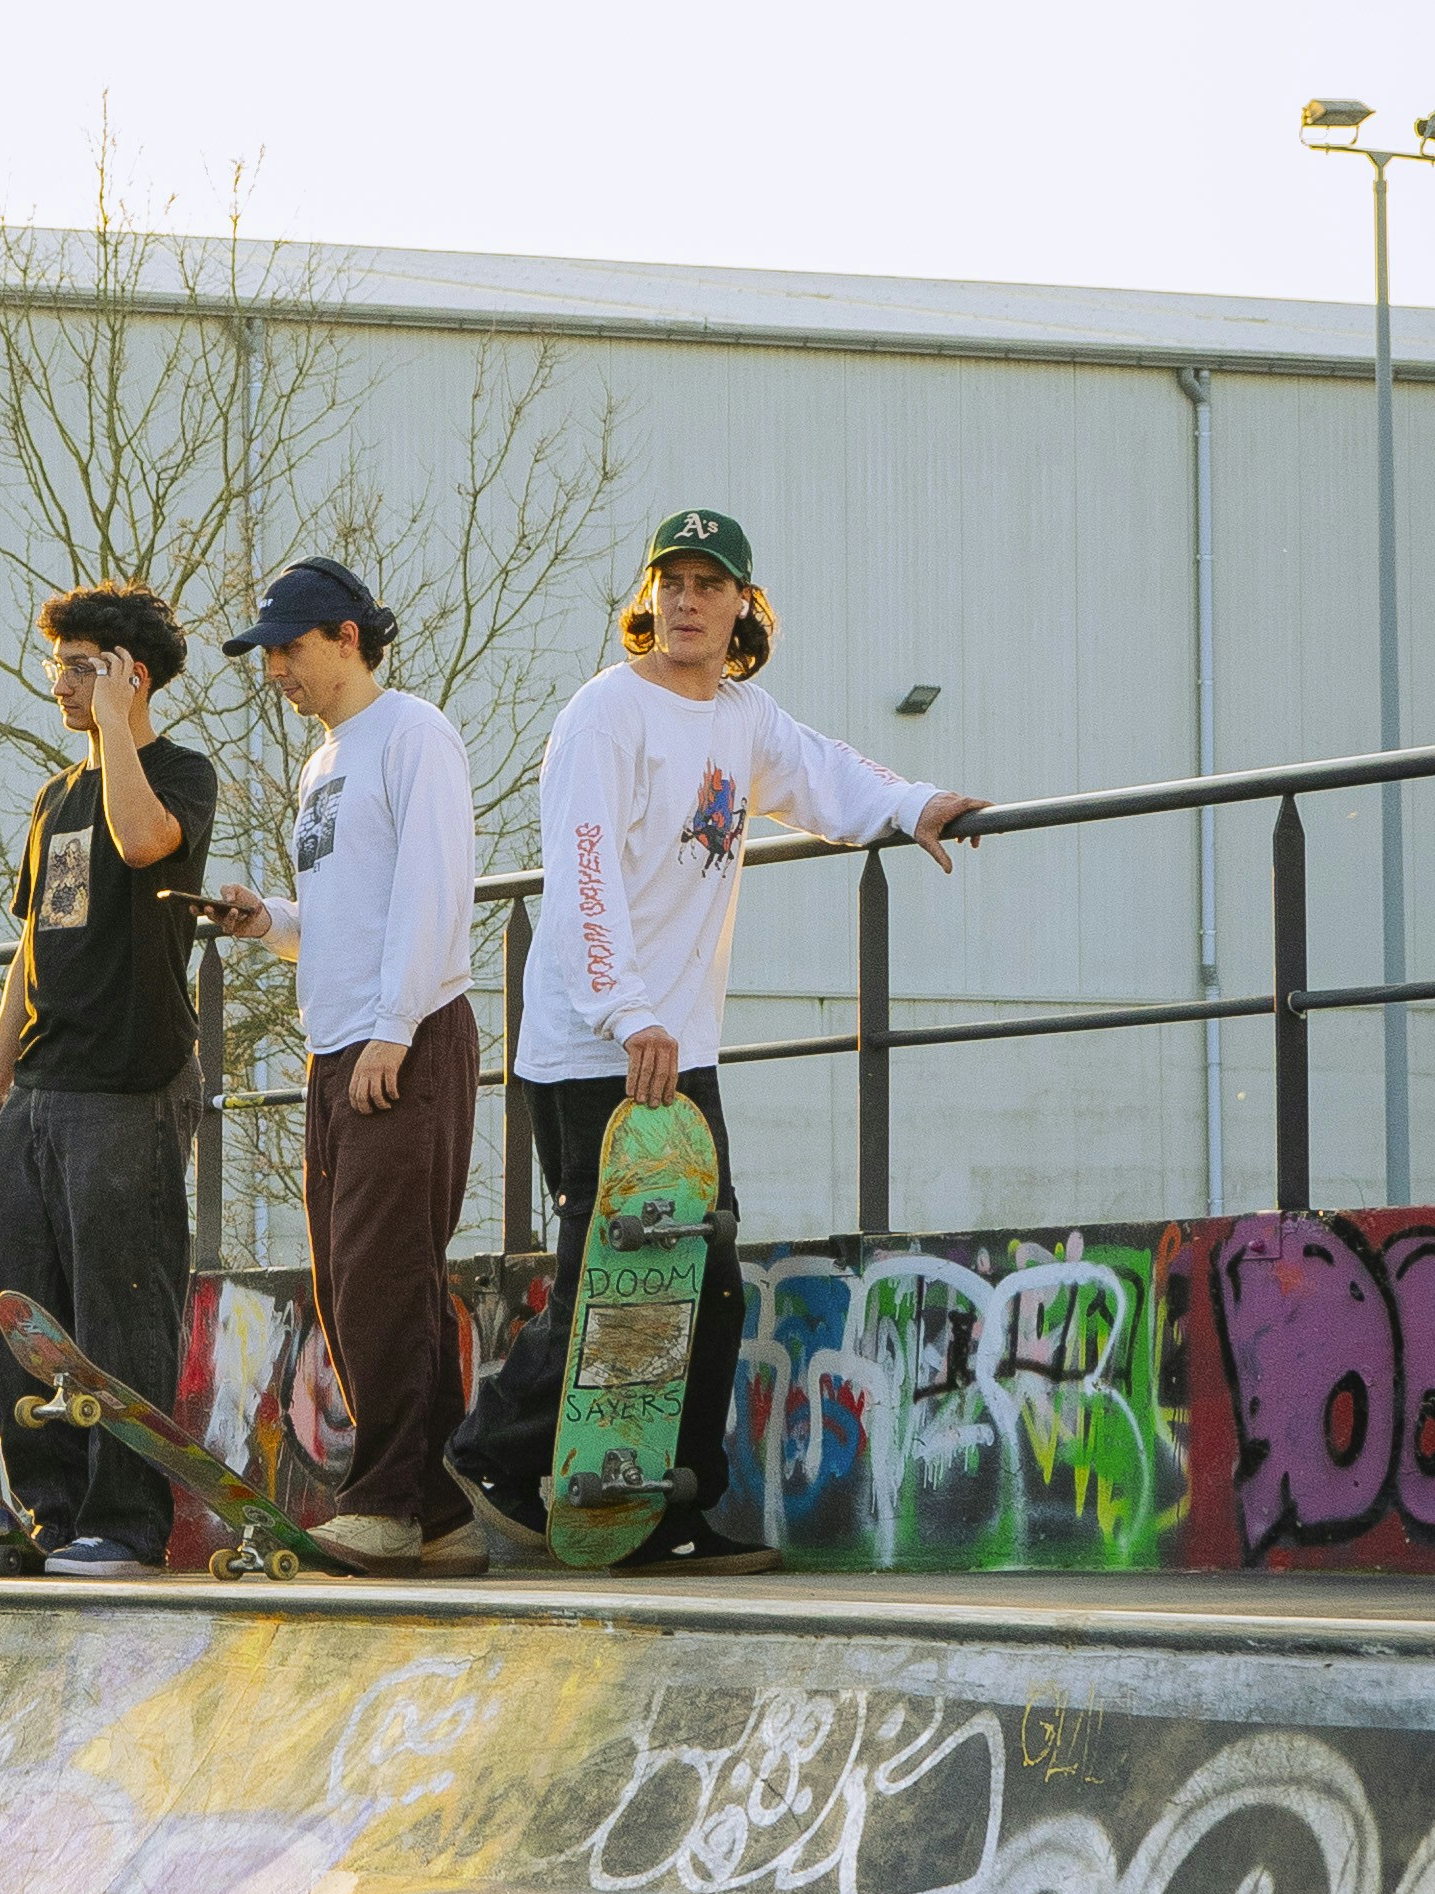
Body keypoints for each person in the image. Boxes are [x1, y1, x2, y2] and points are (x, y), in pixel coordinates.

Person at [459, 505, 985, 1562]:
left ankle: (667, 1506)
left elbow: (827, 777)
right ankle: (491, 1454)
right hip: (593, 1044)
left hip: (677, 1046)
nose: (689, 601)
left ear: (745, 604)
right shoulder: (605, 715)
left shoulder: (744, 719)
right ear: (647, 601)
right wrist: (630, 1012)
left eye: (711, 584)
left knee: (702, 1274)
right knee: (615, 1270)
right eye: (673, 583)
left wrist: (918, 803)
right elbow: (583, 880)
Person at [202, 557, 482, 1566]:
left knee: (380, 1272)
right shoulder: (325, 763)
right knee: (354, 1280)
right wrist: (268, 920)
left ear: (348, 639)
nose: (276, 669)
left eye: (290, 647)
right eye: (268, 654)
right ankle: (441, 1514)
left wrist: (397, 1028)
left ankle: (390, 1504)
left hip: (399, 1040)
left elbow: (436, 888)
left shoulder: (413, 734)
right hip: (341, 1044)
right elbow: (344, 915)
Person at [0, 583, 218, 1570]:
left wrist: (117, 733)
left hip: (130, 1089)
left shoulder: (179, 776)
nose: (58, 684)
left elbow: (146, 843)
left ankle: (126, 1521)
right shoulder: (51, 799)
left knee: (123, 1311)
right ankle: (49, 1515)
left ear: (128, 675)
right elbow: (33, 946)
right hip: (43, 1092)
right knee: (21, 1313)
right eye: (58, 666)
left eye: (80, 667)